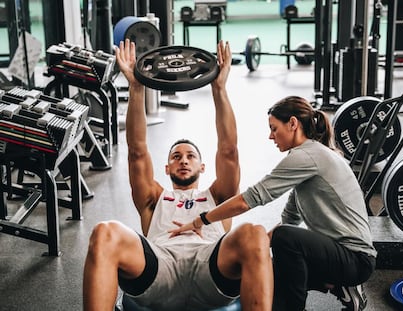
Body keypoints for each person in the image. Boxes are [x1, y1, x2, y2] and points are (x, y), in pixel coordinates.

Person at [82, 39, 273, 311]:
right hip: (160, 270)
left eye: (191, 156)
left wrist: (218, 88)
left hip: (210, 268)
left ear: (203, 167)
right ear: (167, 169)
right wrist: (136, 88)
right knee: (104, 232)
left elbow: (228, 150)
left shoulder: (218, 197)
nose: (183, 160)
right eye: (176, 157)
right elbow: (137, 151)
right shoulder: (153, 198)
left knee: (255, 233)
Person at [169, 96, 377, 311]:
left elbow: (250, 199)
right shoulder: (309, 159)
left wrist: (200, 220)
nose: (271, 136)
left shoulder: (306, 156)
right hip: (339, 256)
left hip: (355, 260)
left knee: (284, 239)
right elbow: (290, 219)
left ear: (293, 124)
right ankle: (338, 286)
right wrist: (249, 252)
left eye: (274, 128)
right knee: (271, 271)